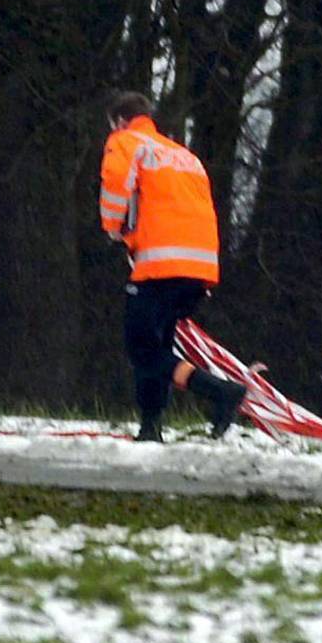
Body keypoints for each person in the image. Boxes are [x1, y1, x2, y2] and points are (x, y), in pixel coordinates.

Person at [99, 91, 246, 442]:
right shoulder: (182, 154)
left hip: (160, 264)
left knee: (142, 348)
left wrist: (113, 227)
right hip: (199, 267)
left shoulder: (125, 142)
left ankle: (220, 392)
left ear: (120, 120)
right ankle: (150, 426)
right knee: (158, 345)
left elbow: (116, 187)